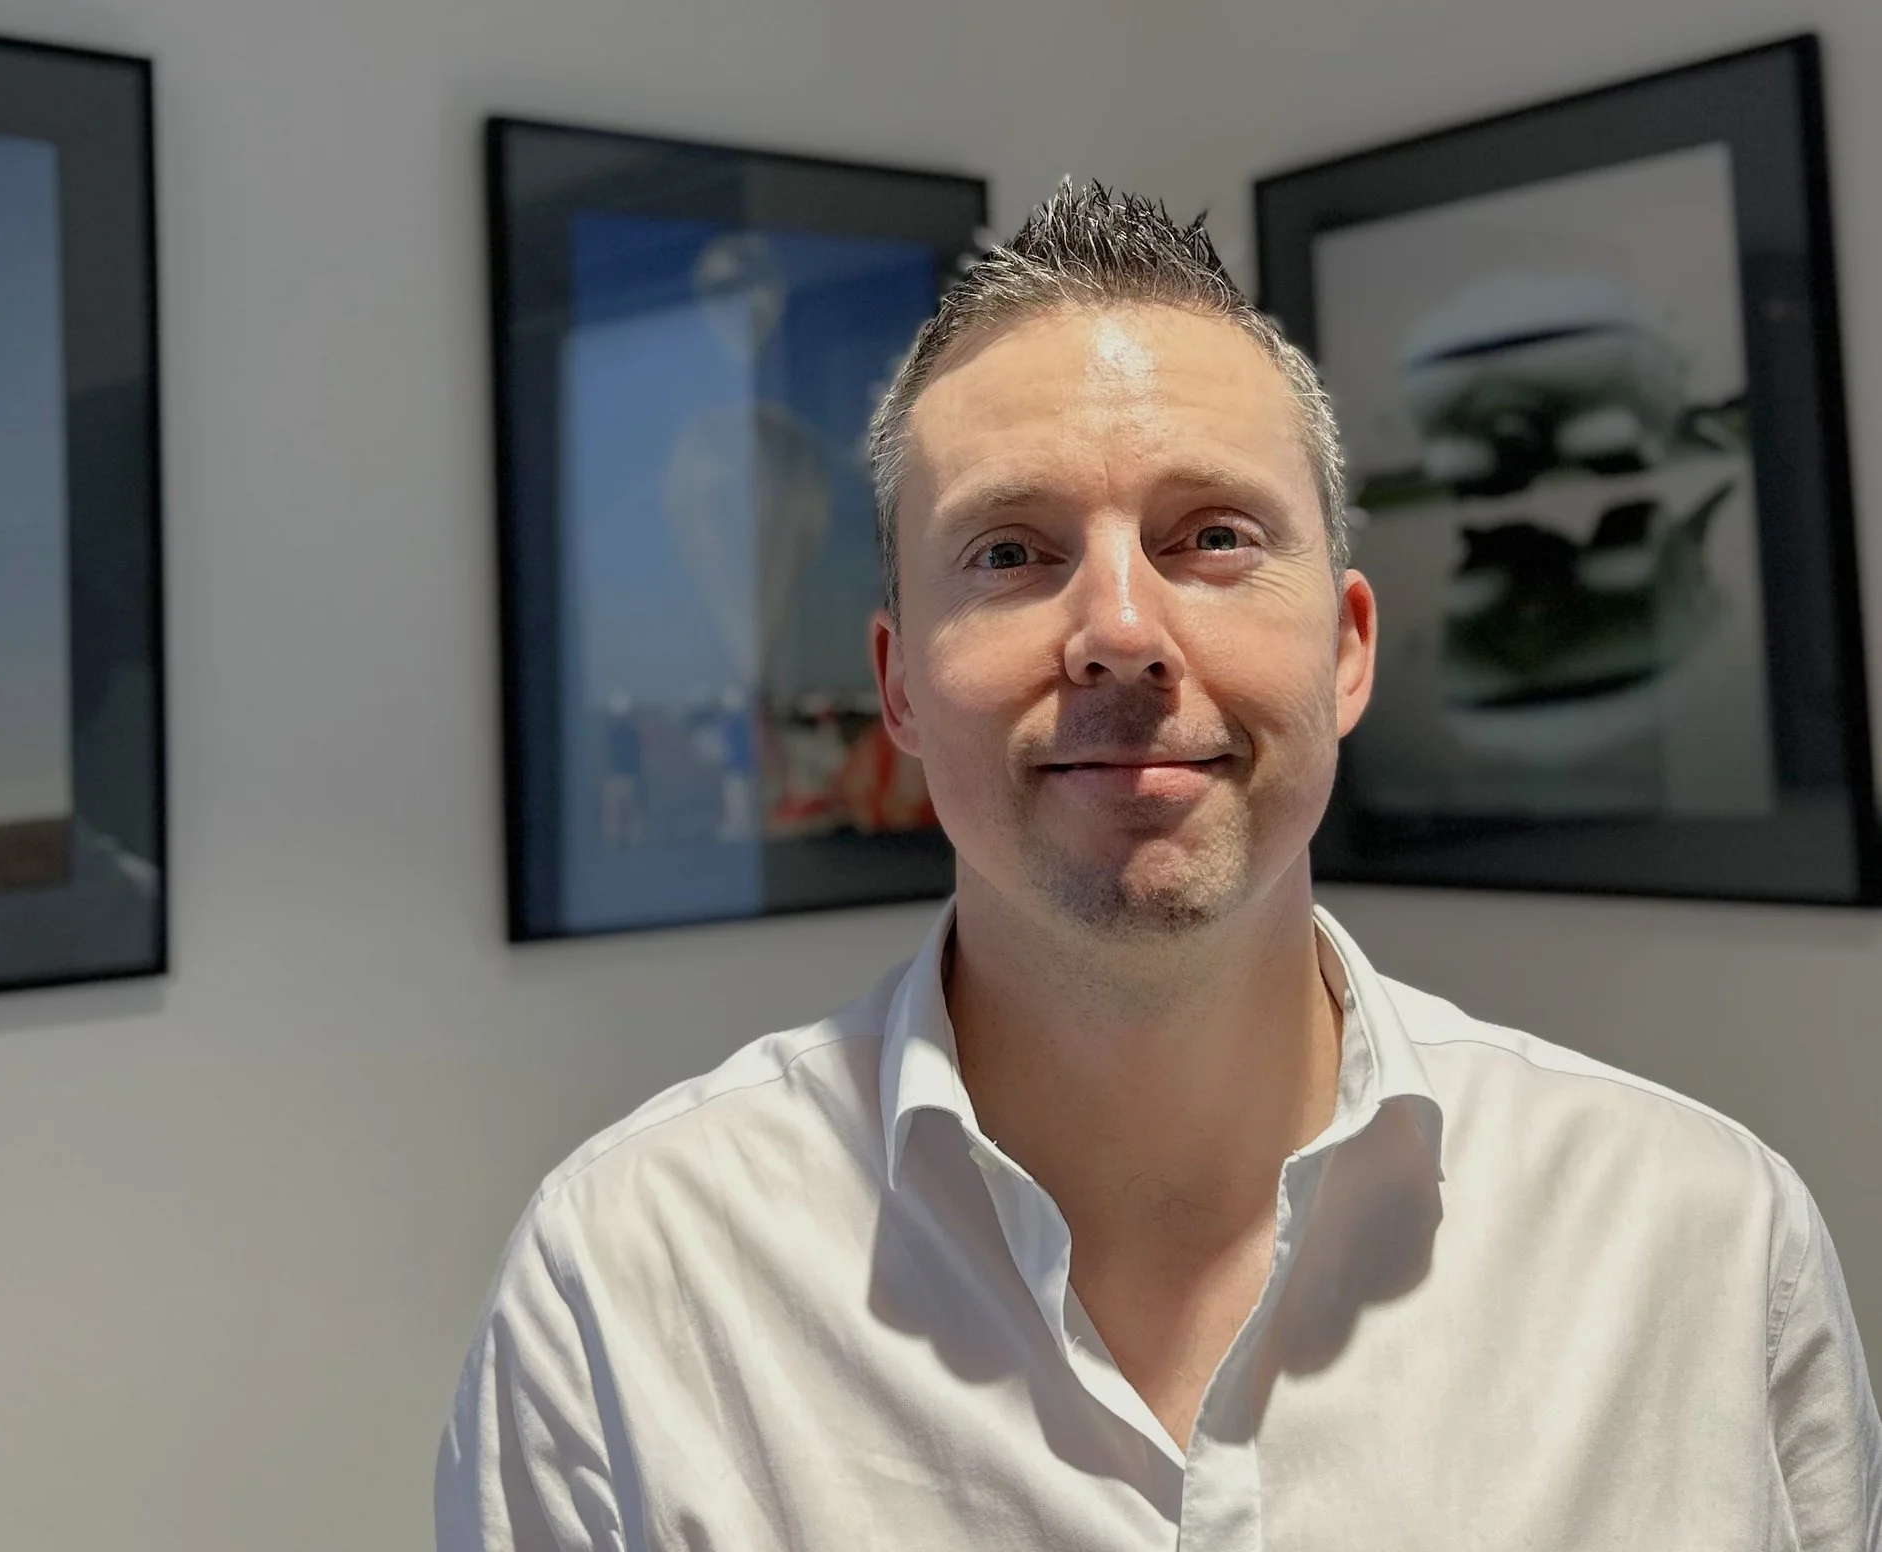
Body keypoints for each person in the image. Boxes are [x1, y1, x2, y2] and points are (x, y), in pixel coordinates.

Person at [437, 184, 1881, 1549]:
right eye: (1011, 552)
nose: (1121, 632)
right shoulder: (625, 1288)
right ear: (898, 687)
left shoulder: (1705, 1247)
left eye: (1214, 537)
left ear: (1348, 650)